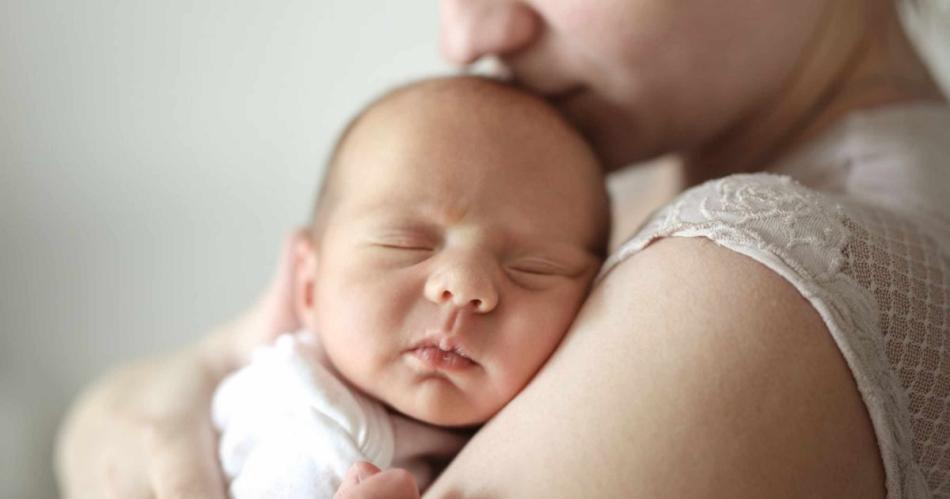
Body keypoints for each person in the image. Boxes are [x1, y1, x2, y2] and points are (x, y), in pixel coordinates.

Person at [56, 0, 950, 497]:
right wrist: (127, 409)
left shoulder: (745, 284)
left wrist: (154, 405)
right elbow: (122, 420)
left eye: (530, 267)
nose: (470, 36)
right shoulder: (616, 205)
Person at [210, 76, 609, 498]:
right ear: (308, 285)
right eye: (406, 244)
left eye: (533, 269)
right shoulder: (311, 426)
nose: (464, 287)